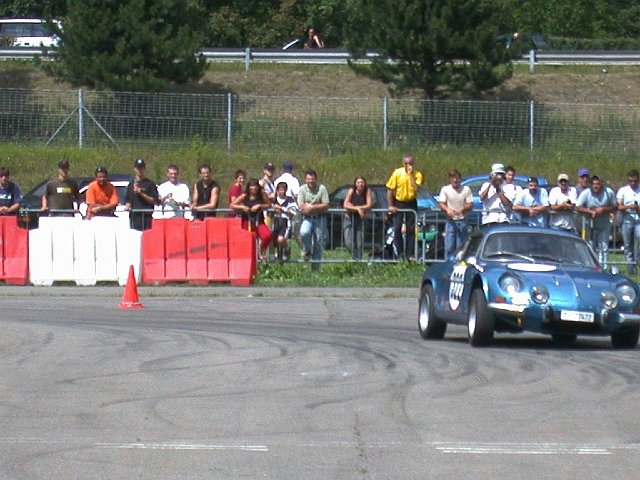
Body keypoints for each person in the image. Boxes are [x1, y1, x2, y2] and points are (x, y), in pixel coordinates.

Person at [386, 155, 423, 260]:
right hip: (399, 202)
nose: (408, 165)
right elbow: (390, 190)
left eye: (410, 163)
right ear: (403, 164)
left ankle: (410, 254)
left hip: (411, 202)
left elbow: (416, 188)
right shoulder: (397, 173)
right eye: (406, 163)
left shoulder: (418, 174)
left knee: (411, 229)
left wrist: (411, 175)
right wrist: (390, 205)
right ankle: (400, 253)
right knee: (397, 227)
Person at [575, 175, 616, 268]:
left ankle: (603, 267)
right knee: (590, 246)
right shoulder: (586, 193)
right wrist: (590, 211)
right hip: (589, 224)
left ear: (602, 184)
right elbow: (577, 207)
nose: (595, 186)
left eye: (597, 184)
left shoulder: (609, 192)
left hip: (604, 223)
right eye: (593, 184)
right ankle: (591, 266)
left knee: (604, 247)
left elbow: (614, 206)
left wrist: (603, 209)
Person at [231, 178, 272, 262]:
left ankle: (261, 251)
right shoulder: (245, 195)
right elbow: (232, 205)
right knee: (248, 241)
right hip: (247, 220)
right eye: (252, 186)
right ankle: (247, 260)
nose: (254, 188)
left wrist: (260, 206)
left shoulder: (262, 194)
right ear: (249, 187)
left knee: (267, 235)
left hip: (259, 220)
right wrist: (242, 207)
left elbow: (269, 205)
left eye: (256, 186)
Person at [298, 169, 329, 270]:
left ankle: (315, 269)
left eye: (312, 179)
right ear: (305, 180)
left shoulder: (322, 189)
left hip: (320, 218)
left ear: (316, 179)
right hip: (307, 218)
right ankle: (306, 250)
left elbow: (326, 204)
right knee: (304, 232)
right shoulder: (302, 189)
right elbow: (301, 205)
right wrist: (309, 207)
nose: (310, 181)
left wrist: (312, 207)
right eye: (308, 179)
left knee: (318, 243)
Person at [438, 169, 473, 258]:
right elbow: (441, 203)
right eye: (453, 178)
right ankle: (449, 262)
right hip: (450, 221)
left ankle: (459, 262)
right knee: (449, 246)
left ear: (460, 179)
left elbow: (470, 204)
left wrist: (462, 208)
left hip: (462, 220)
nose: (455, 180)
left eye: (457, 178)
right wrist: (447, 209)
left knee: (461, 247)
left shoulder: (466, 189)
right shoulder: (445, 189)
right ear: (450, 179)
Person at [343, 175, 374, 260]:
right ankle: (357, 259)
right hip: (349, 218)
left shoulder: (367, 191)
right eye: (358, 182)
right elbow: (345, 205)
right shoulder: (351, 191)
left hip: (361, 219)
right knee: (348, 242)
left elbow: (369, 205)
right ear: (355, 184)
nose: (360, 184)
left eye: (362, 182)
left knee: (359, 242)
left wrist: (354, 207)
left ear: (365, 183)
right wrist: (358, 209)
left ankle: (358, 261)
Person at [616, 169, 640, 274]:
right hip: (627, 220)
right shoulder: (623, 190)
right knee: (628, 245)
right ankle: (631, 270)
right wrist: (629, 206)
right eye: (630, 181)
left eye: (635, 181)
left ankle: (637, 260)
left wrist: (637, 208)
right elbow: (619, 206)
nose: (633, 183)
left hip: (638, 220)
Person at [125, 158, 159, 231]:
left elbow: (154, 201)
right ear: (135, 169)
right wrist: (128, 206)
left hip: (146, 217)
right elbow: (128, 200)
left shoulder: (150, 184)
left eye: (141, 168)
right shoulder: (130, 185)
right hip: (134, 217)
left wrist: (141, 193)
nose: (140, 170)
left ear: (145, 169)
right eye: (138, 168)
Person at [271, 181, 298, 262]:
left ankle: (287, 249)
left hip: (285, 222)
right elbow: (270, 208)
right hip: (275, 222)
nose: (281, 191)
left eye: (283, 190)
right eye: (280, 190)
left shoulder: (290, 200)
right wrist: (275, 209)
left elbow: (293, 211)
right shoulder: (274, 200)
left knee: (281, 239)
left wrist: (281, 208)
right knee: (274, 241)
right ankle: (278, 259)